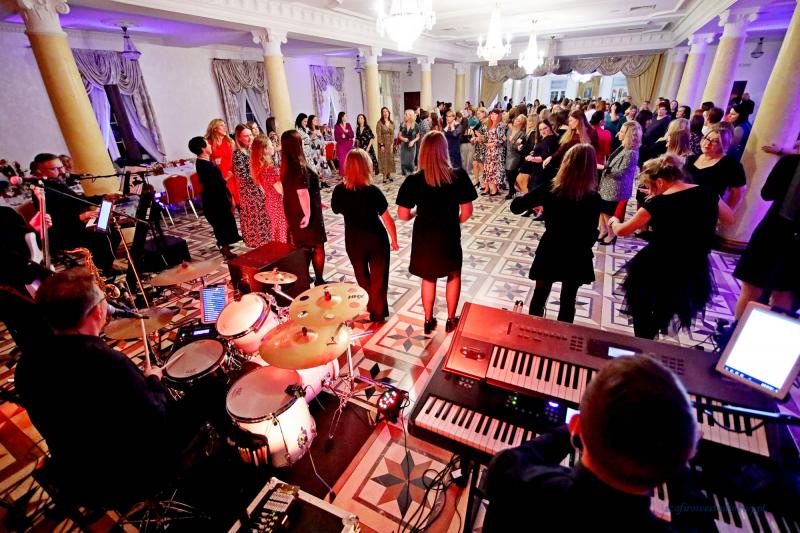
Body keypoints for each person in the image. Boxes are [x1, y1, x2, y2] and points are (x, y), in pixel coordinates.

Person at [483, 356, 702, 533]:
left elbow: (511, 459)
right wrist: (681, 468)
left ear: (577, 427)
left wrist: (575, 428)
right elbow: (698, 522)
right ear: (686, 454)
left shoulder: (512, 478)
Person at [14, 269, 172, 508]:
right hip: (129, 477)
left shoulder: (27, 363)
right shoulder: (108, 363)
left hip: (76, 476)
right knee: (208, 392)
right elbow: (157, 415)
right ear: (98, 311)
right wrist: (153, 380)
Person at [609, 154, 734, 339]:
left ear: (660, 181)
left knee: (642, 304)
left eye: (650, 186)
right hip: (693, 263)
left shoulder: (656, 204)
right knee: (668, 304)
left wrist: (613, 221)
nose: (649, 191)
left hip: (659, 263)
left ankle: (644, 341)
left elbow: (622, 231)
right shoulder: (709, 193)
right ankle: (652, 335)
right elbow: (729, 219)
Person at [396, 131, 477, 334]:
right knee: (453, 274)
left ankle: (427, 320)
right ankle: (450, 320)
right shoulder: (458, 176)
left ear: (423, 152)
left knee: (428, 277)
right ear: (444, 150)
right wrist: (453, 222)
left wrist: (415, 212)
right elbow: (467, 212)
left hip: (424, 238)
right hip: (448, 235)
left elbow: (402, 215)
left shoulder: (413, 180)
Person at [510, 144, 601, 322]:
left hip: (551, 247)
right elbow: (592, 232)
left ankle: (533, 329)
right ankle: (563, 335)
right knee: (568, 300)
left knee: (540, 294)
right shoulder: (593, 198)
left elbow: (516, 207)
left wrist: (533, 201)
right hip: (577, 251)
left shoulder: (551, 189)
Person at [331, 149, 399, 323]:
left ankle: (373, 305)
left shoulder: (339, 191)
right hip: (376, 239)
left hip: (354, 240)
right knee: (379, 278)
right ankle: (378, 311)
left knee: (362, 276)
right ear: (366, 167)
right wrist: (394, 240)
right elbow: (387, 219)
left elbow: (336, 209)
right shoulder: (373, 191)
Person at [733, 150, 800, 318]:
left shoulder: (789, 163)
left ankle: (737, 330)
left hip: (772, 233)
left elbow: (767, 193)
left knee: (754, 290)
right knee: (782, 295)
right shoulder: (789, 162)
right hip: (781, 236)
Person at [30, 153, 121, 276]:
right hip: (63, 233)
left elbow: (79, 200)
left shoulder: (58, 184)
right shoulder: (41, 191)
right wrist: (81, 217)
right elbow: (54, 220)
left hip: (76, 226)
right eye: (55, 169)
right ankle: (101, 273)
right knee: (103, 237)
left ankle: (104, 268)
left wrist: (104, 197)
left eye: (61, 167)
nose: (62, 171)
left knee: (112, 230)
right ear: (40, 171)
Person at [281, 129, 327, 285]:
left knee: (305, 247)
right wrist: (308, 214)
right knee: (318, 246)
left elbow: (294, 193)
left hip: (294, 212)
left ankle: (304, 278)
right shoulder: (299, 166)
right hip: (306, 214)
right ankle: (319, 280)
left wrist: (317, 202)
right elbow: (302, 193)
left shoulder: (286, 167)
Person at [188, 136, 240, 259]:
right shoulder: (206, 166)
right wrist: (227, 177)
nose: (210, 145)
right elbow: (216, 184)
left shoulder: (204, 162)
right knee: (221, 224)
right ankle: (225, 249)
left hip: (214, 197)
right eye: (208, 144)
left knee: (223, 222)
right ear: (203, 148)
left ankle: (225, 244)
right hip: (215, 200)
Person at [597, 121, 641, 245]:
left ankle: (612, 234)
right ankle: (604, 230)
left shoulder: (631, 152)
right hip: (607, 184)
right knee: (602, 209)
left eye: (622, 132)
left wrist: (603, 167)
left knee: (608, 212)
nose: (618, 134)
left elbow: (621, 172)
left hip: (616, 187)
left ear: (629, 135)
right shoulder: (623, 146)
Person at [685, 126, 746, 208]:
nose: (708, 144)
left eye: (715, 141)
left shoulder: (731, 165)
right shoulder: (691, 159)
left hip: (706, 209)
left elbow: (738, 192)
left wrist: (727, 210)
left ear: (723, 144)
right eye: (707, 139)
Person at [232, 124, 269, 248]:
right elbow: (242, 176)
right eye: (246, 136)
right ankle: (259, 244)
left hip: (259, 188)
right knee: (255, 219)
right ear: (239, 138)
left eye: (250, 135)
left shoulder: (251, 150)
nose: (250, 138)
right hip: (250, 192)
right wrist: (259, 178)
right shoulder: (238, 154)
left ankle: (267, 243)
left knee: (264, 217)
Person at [205, 118, 237, 207]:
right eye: (222, 125)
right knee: (226, 203)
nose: (225, 127)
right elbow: (205, 161)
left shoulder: (230, 142)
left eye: (225, 125)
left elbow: (235, 158)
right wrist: (213, 162)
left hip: (231, 174)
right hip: (219, 176)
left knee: (235, 202)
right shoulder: (208, 143)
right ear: (215, 128)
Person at [482, 108, 507, 196]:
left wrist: (492, 143)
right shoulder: (489, 124)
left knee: (494, 169)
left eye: (495, 114)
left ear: (499, 115)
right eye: (492, 114)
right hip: (489, 150)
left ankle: (495, 189)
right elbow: (487, 137)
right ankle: (486, 188)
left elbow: (502, 140)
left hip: (496, 151)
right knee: (487, 168)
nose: (493, 116)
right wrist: (482, 138)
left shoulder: (500, 125)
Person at [504, 114, 527, 199]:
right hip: (507, 154)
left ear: (522, 124)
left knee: (510, 172)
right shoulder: (509, 130)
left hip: (515, 155)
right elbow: (506, 144)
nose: (516, 121)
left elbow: (517, 147)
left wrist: (511, 140)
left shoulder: (522, 134)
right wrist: (504, 140)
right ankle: (512, 189)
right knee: (507, 172)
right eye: (516, 119)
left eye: (518, 121)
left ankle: (511, 191)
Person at [308, 115, 331, 188]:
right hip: (314, 152)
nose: (316, 121)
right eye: (314, 120)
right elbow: (309, 141)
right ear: (311, 121)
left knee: (323, 166)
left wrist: (324, 149)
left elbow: (322, 140)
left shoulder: (318, 129)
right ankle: (319, 183)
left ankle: (324, 181)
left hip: (320, 151)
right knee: (317, 167)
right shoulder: (308, 130)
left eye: (316, 119)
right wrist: (313, 135)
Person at [376, 107, 395, 183]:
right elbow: (379, 134)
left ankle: (389, 174)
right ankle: (384, 175)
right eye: (384, 111)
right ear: (382, 113)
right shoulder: (379, 122)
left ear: (389, 113)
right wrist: (381, 145)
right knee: (383, 159)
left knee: (390, 159)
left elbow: (392, 134)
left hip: (390, 143)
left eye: (386, 111)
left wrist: (392, 144)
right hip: (383, 143)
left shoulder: (391, 122)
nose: (385, 113)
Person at [471, 107, 489, 188]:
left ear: (484, 113)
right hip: (478, 146)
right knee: (474, 163)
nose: (478, 115)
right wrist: (474, 138)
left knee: (482, 166)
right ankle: (477, 181)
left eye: (479, 113)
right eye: (477, 114)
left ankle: (486, 185)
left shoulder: (488, 123)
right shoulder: (480, 123)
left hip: (484, 147)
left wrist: (478, 137)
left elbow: (487, 137)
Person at [399, 110, 420, 176]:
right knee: (404, 163)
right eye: (404, 114)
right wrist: (403, 139)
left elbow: (418, 137)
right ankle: (405, 176)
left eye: (406, 114)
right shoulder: (402, 124)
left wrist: (413, 141)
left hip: (412, 147)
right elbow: (399, 136)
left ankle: (411, 176)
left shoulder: (416, 125)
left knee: (410, 163)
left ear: (410, 116)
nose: (404, 116)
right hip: (403, 147)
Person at [334, 111, 355, 178]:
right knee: (342, 160)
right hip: (341, 145)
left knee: (349, 160)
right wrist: (342, 137)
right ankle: (343, 175)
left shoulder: (348, 125)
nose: (346, 117)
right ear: (342, 117)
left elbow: (352, 135)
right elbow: (336, 138)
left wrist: (347, 132)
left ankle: (350, 174)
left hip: (348, 145)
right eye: (345, 116)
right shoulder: (336, 126)